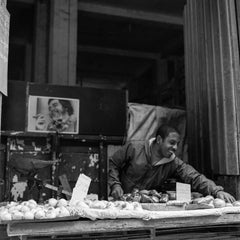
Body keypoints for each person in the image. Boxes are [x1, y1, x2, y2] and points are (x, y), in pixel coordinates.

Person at [108, 124, 235, 203]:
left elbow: (194, 177)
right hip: (120, 201)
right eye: (172, 142)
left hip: (145, 207)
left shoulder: (174, 163)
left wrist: (216, 191)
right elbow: (113, 163)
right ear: (159, 140)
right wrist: (115, 185)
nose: (175, 147)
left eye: (177, 144)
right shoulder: (135, 147)